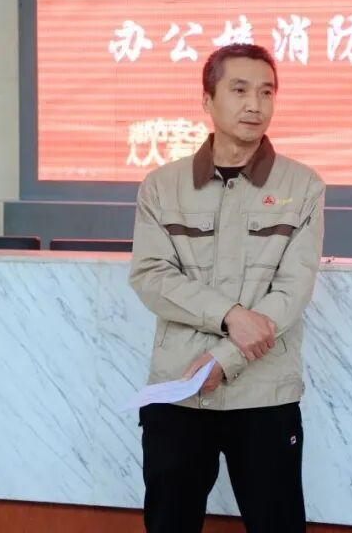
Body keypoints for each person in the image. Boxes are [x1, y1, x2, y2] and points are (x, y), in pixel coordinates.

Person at [129, 43, 325, 533]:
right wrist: (230, 315)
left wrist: (225, 358)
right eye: (239, 90)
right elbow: (151, 275)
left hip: (264, 393)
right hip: (178, 391)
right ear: (207, 100)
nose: (255, 104)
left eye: (266, 92)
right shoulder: (162, 186)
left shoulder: (303, 186)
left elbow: (293, 289)